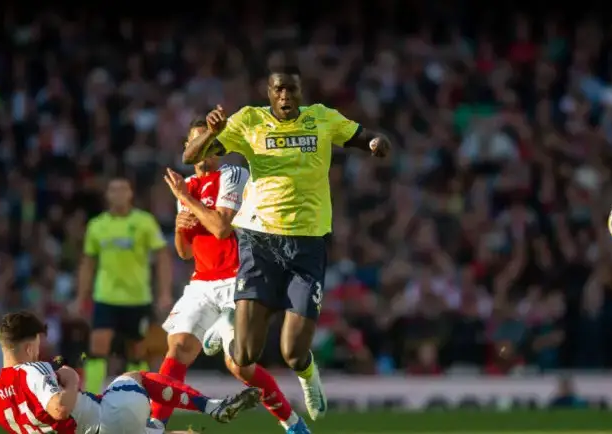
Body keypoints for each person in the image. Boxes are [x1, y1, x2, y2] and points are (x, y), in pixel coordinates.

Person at [183, 66, 391, 419]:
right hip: (259, 240)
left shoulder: (322, 118)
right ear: (269, 93)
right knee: (245, 354)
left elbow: (361, 136)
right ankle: (222, 326)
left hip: (307, 243)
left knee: (293, 352)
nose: (285, 96)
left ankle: (308, 376)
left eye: (291, 90)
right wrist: (212, 134)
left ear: (300, 92)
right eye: (279, 90)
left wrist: (375, 143)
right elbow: (190, 156)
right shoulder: (248, 120)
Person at [154, 118, 310, 433]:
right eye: (194, 144)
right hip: (201, 282)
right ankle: (154, 425)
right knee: (178, 349)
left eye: (209, 144)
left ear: (219, 149)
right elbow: (185, 252)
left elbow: (222, 229)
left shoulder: (233, 175)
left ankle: (293, 424)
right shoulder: (187, 187)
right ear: (187, 148)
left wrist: (186, 199)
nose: (201, 152)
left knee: (240, 365)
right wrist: (179, 226)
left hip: (238, 279)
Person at [0, 311, 261, 434]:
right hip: (106, 418)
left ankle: (160, 423)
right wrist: (73, 381)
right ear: (28, 345)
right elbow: (60, 409)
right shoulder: (32, 370)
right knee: (135, 379)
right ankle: (213, 407)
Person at [75, 177, 173, 394]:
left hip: (137, 297)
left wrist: (164, 292)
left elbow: (163, 256)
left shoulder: (145, 222)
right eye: (113, 190)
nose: (118, 194)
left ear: (130, 194)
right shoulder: (97, 225)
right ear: (107, 195)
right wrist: (82, 296)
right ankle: (92, 397)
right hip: (106, 296)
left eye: (123, 189)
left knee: (137, 351)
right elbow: (88, 263)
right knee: (97, 345)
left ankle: (136, 396)